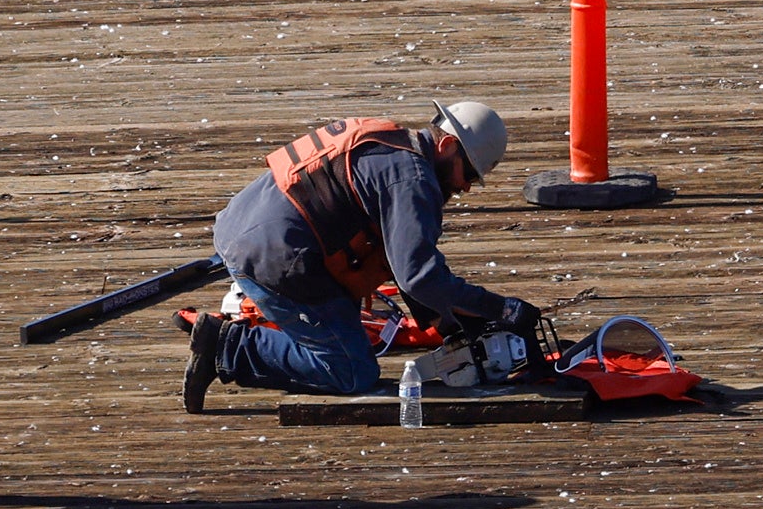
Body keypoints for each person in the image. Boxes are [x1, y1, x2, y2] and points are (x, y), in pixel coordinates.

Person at [185, 102, 541, 408]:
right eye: (469, 173)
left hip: (242, 225)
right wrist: (500, 309)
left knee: (347, 331)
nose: (465, 187)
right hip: (274, 259)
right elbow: (419, 276)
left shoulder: (389, 143)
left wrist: (450, 327)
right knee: (353, 371)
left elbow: (400, 258)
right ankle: (227, 346)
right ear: (448, 145)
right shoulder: (413, 182)